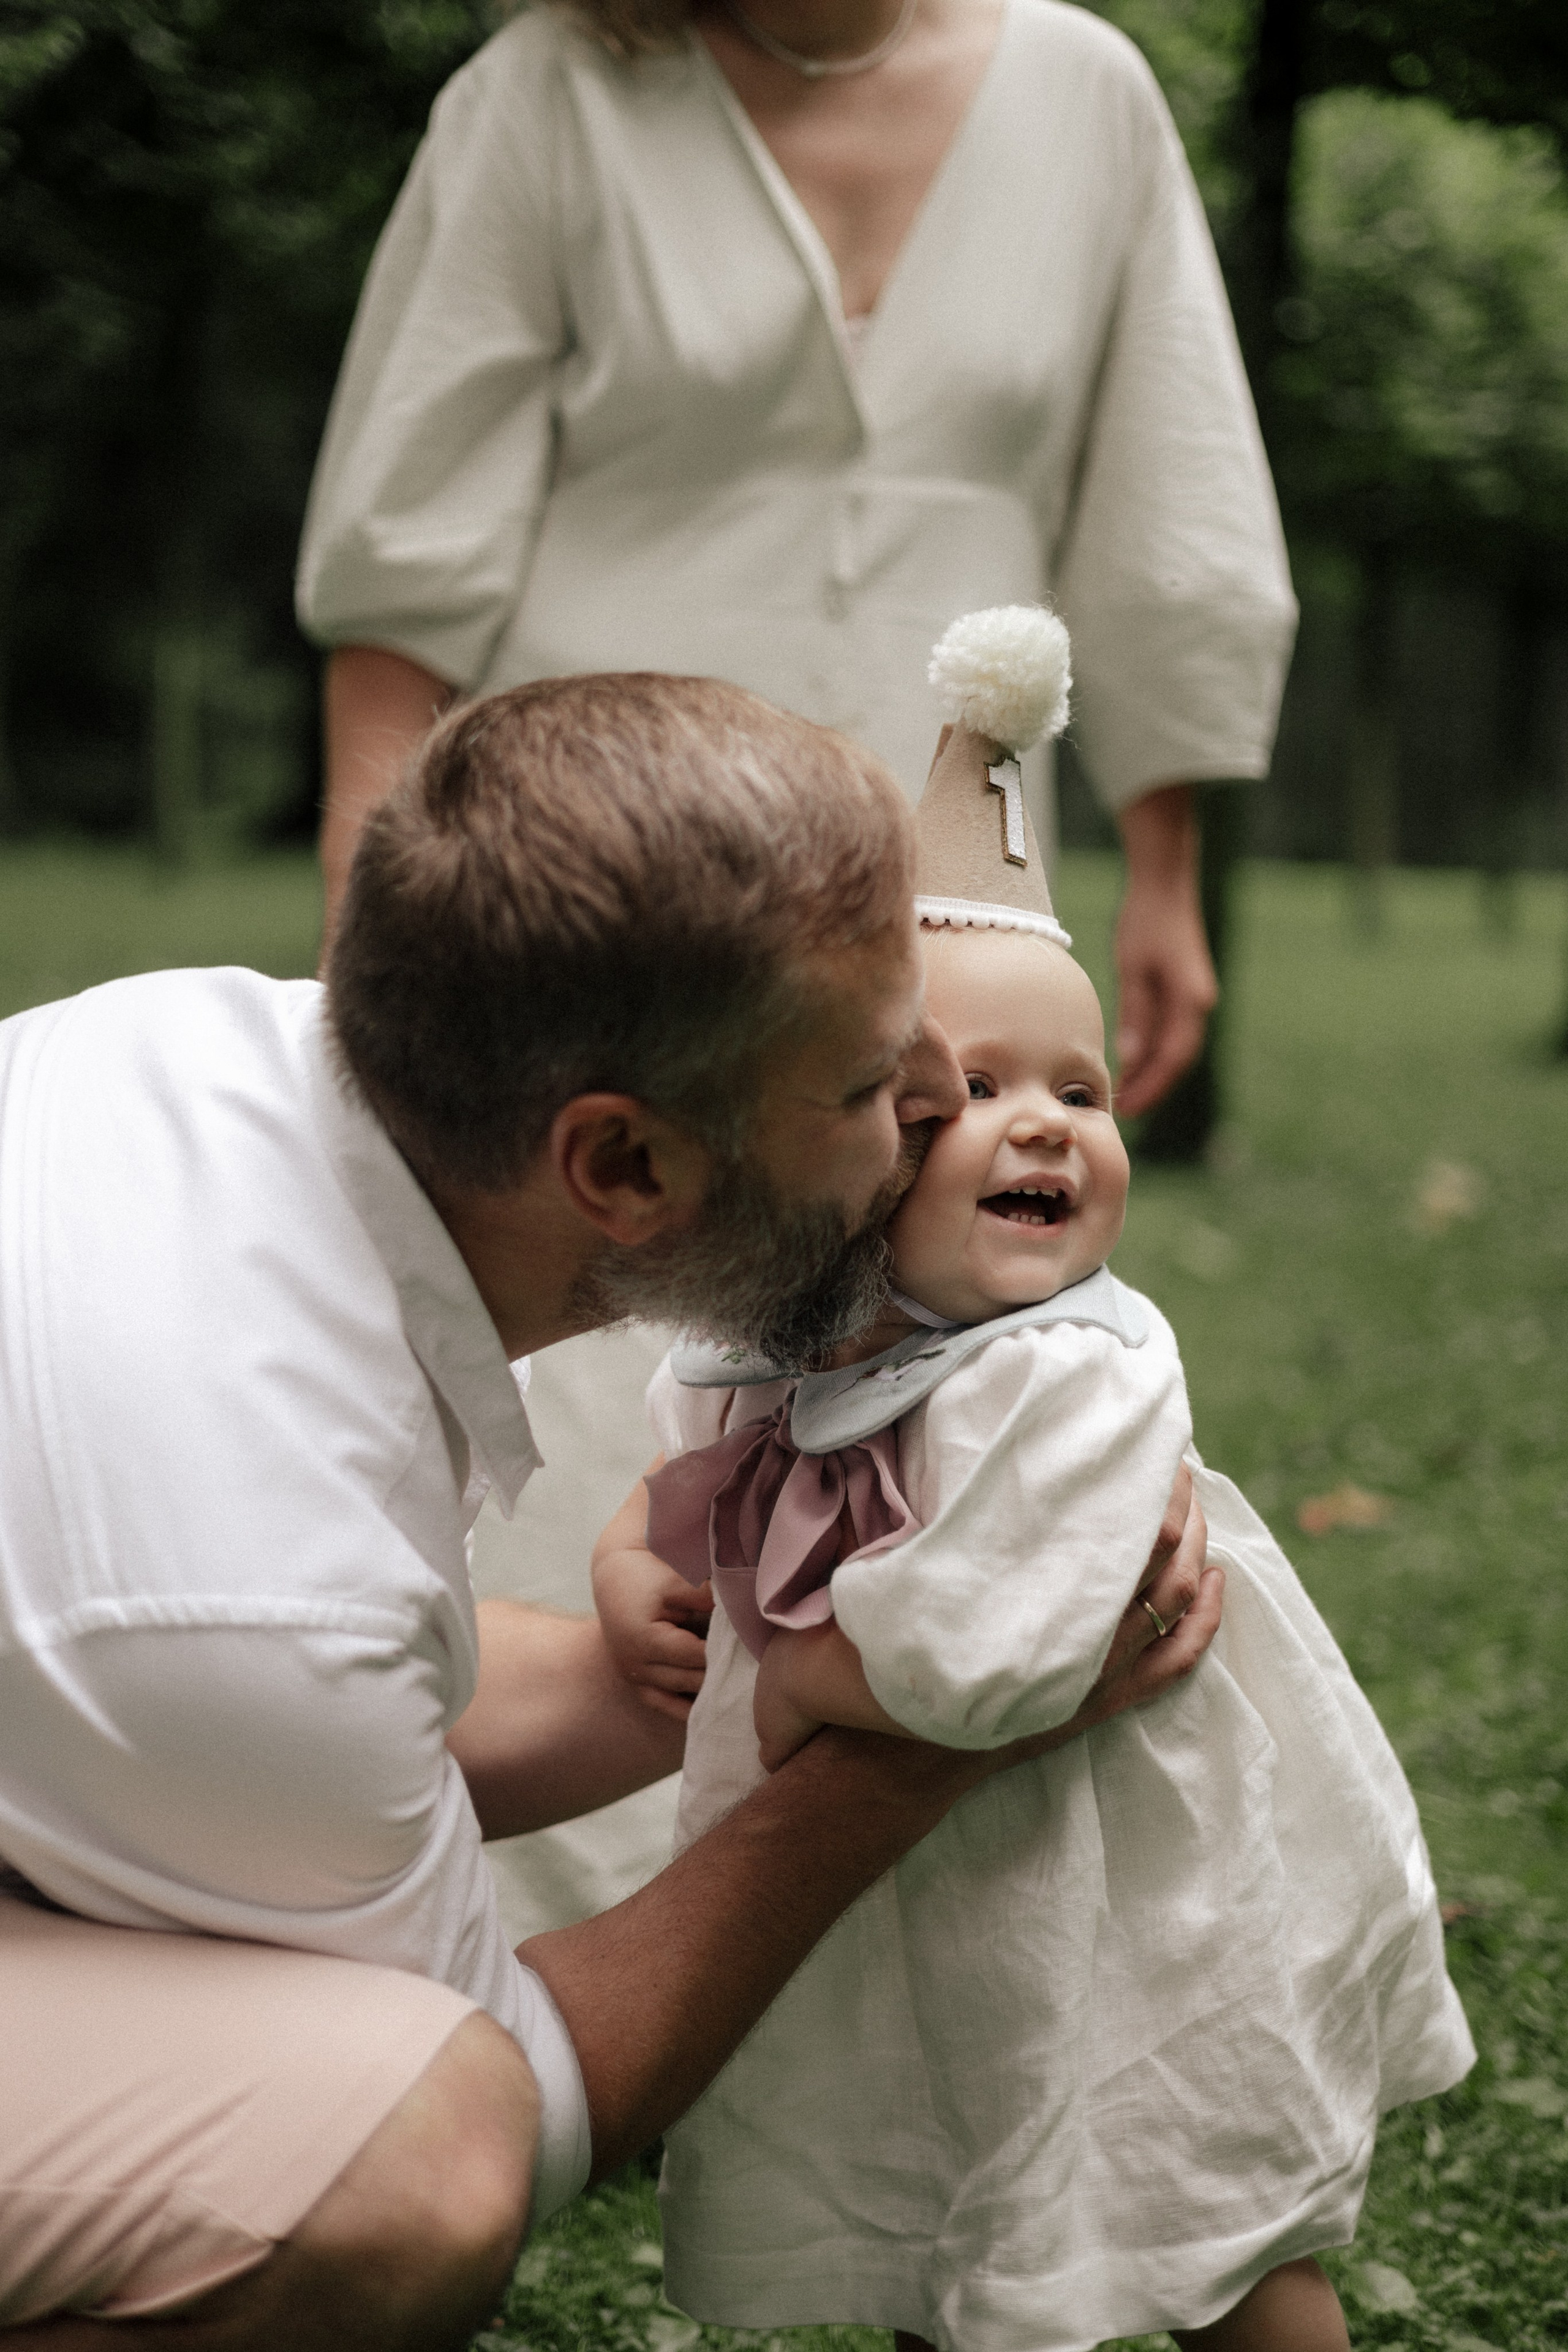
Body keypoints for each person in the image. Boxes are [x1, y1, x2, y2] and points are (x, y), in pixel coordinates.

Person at [0, 673, 1218, 2347]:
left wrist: (711, 1656)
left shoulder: (185, 1048)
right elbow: (516, 2069)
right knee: (417, 2156)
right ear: (628, 1169)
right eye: (875, 1086)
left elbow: (308, 1702)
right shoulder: (253, 1586)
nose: (942, 1104)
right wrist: (924, 1748)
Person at [294, 0, 1298, 1932]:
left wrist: (1163, 862)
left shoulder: (1083, 90)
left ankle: (895, 1863)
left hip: (949, 838)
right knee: (606, 1312)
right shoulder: (546, 96)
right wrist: (371, 936)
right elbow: (403, 557)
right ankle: (540, 1903)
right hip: (611, 848)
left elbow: (1166, 497)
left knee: (938, 1296)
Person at [592, 617, 1473, 2352]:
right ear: (842, 1145)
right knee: (953, 2197)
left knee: (1208, 2223)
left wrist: (796, 1684)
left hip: (1131, 1892)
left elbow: (989, 1654)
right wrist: (637, 1567)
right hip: (929, 1900)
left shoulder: (1078, 1375)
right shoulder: (788, 1331)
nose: (1045, 1126)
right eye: (969, 1091)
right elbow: (683, 1459)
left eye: (1080, 1087)